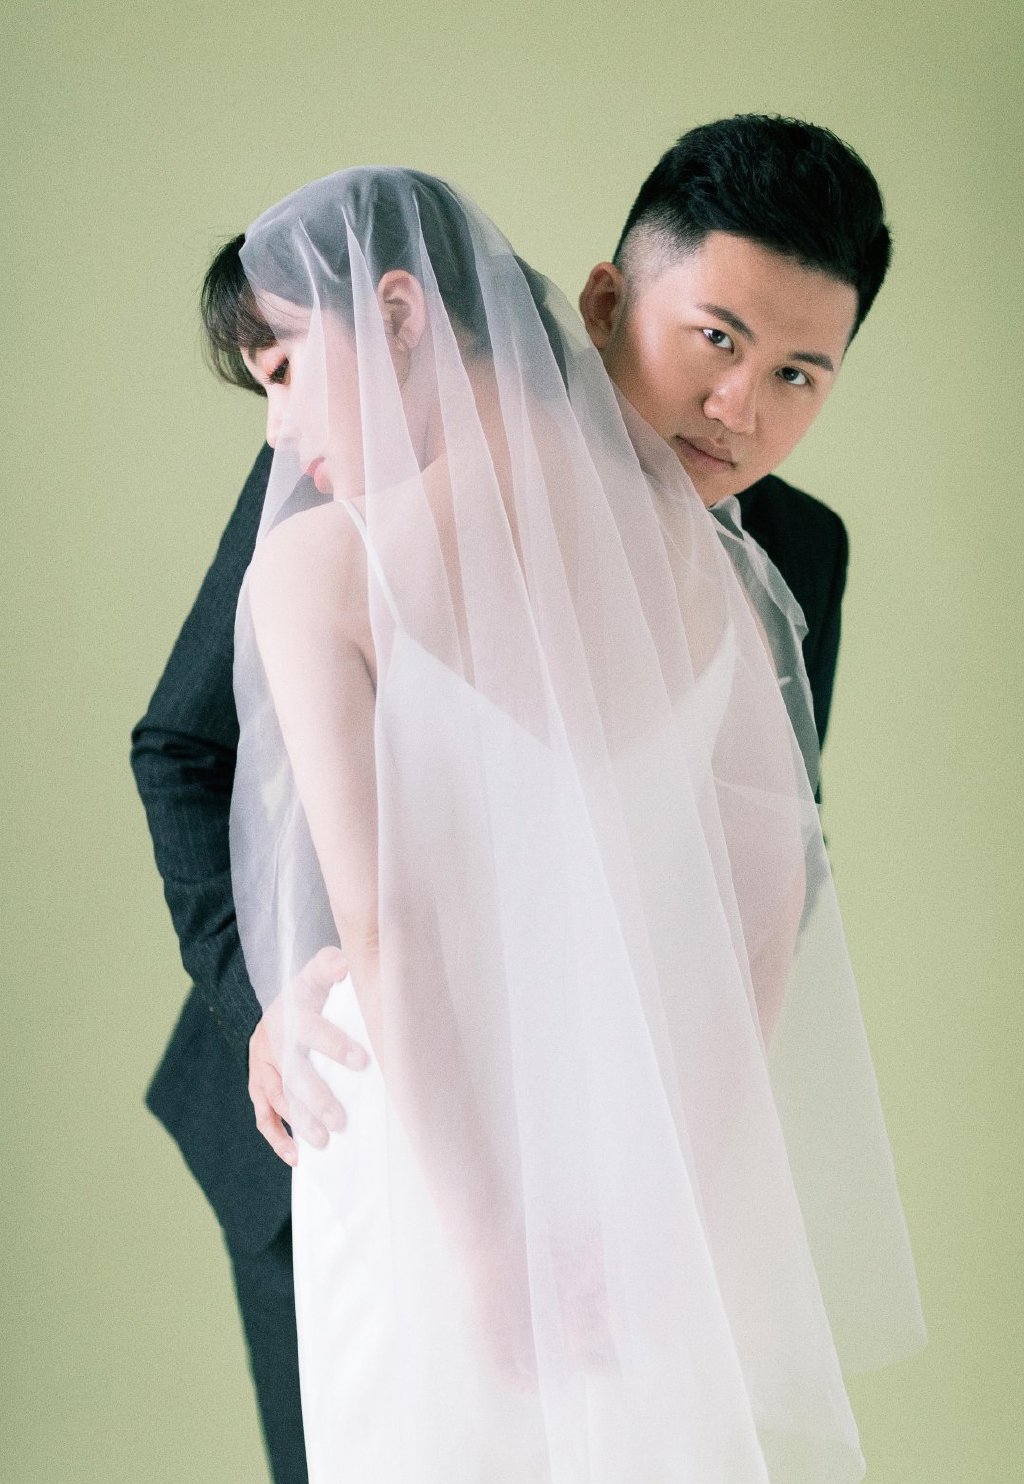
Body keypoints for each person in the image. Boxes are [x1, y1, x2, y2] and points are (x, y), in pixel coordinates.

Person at [130, 118, 894, 1484]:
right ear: (604, 304)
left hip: (618, 1148)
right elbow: (184, 749)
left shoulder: (789, 556)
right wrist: (275, 996)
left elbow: (758, 874)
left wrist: (664, 1189)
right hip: (337, 1115)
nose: (742, 409)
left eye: (798, 375)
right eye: (714, 341)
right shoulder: (350, 448)